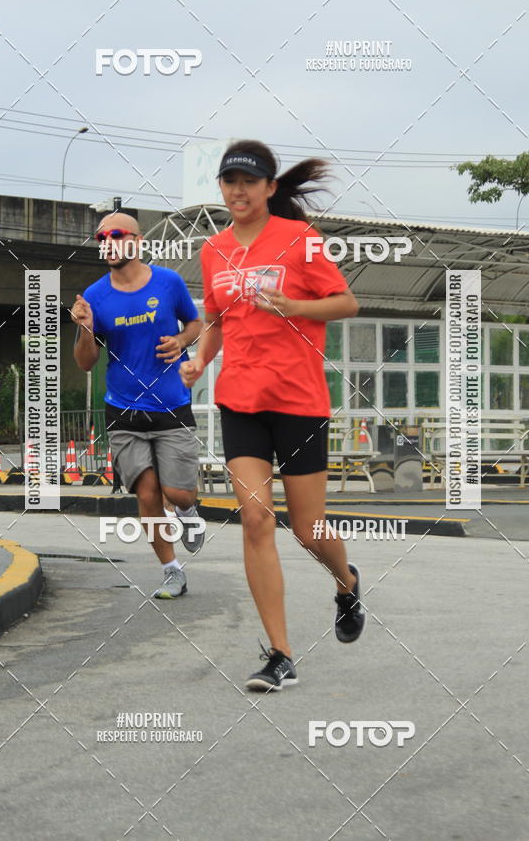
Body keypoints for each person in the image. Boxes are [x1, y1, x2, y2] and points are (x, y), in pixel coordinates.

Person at [180, 140, 364, 690]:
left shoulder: (300, 239)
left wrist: (297, 307)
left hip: (299, 401)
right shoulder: (213, 250)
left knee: (308, 529)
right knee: (256, 519)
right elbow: (217, 319)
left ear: (269, 188)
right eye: (229, 181)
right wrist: (199, 360)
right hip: (240, 401)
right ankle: (280, 654)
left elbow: (346, 302)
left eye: (249, 181)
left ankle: (346, 582)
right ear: (221, 187)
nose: (238, 190)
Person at [72, 211, 204, 599]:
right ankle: (171, 571)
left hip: (171, 405)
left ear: (137, 240)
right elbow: (85, 362)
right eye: (102, 238)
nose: (108, 243)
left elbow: (195, 324)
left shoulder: (168, 282)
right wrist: (85, 329)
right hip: (124, 409)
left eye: (116, 234)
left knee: (177, 493)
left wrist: (181, 342)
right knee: (147, 494)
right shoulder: (95, 296)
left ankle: (187, 511)